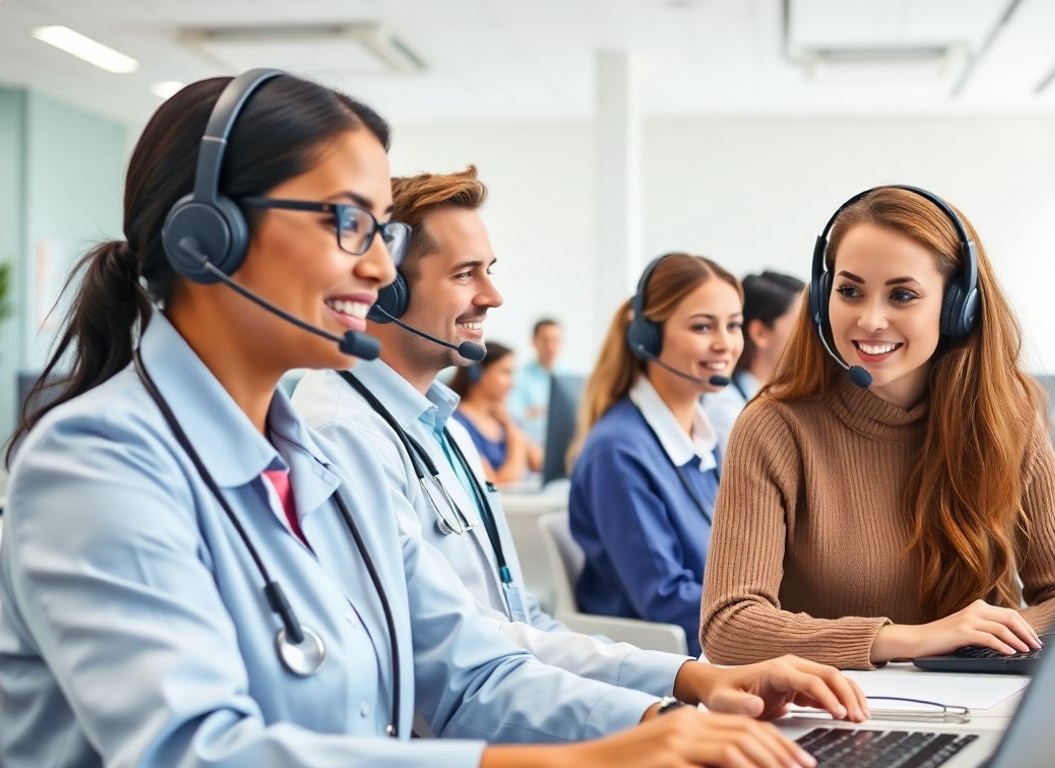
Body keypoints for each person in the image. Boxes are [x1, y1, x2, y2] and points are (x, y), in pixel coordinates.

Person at [0, 71, 849, 768]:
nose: (376, 268)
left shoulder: (332, 461)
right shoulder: (95, 464)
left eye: (384, 237)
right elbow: (197, 753)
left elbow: (471, 673)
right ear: (207, 237)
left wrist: (680, 714)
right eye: (348, 223)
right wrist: (579, 760)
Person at [292, 167, 868, 748]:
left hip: (517, 720)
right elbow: (459, 679)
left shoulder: (445, 431)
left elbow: (524, 630)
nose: (494, 296)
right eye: (466, 274)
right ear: (382, 288)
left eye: (489, 272)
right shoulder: (345, 437)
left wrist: (695, 682)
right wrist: (664, 719)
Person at [699, 185, 1055, 670]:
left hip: (973, 703)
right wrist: (912, 640)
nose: (870, 319)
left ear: (956, 307)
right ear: (822, 299)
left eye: (902, 294)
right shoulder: (775, 427)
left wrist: (985, 636)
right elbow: (730, 625)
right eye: (850, 291)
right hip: (830, 714)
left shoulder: (1007, 416)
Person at [568, 252, 743, 657]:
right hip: (667, 665)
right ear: (646, 336)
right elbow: (664, 598)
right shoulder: (619, 451)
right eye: (703, 326)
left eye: (733, 325)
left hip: (715, 646)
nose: (725, 343)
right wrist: (775, 627)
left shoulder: (704, 440)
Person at [702, 271, 806, 443]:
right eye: (800, 325)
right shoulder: (725, 408)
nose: (810, 336)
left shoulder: (786, 398)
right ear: (760, 333)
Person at [448, 341, 542, 484]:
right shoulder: (458, 423)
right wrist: (516, 442)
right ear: (477, 373)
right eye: (505, 372)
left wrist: (510, 425)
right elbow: (495, 485)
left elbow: (539, 464)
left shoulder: (502, 419)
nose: (512, 383)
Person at [508, 318, 563, 443]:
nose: (550, 347)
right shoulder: (517, 375)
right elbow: (513, 416)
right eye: (545, 340)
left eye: (555, 341)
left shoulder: (571, 375)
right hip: (530, 444)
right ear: (534, 341)